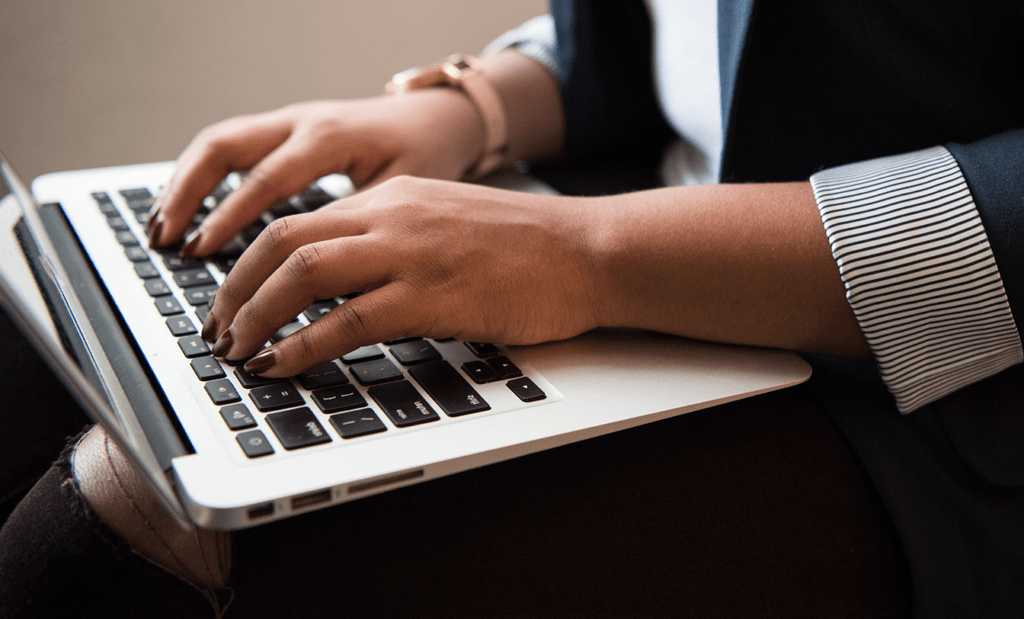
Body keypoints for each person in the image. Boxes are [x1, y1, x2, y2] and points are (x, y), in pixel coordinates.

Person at [3, 0, 1024, 616]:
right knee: (31, 338)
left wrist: (592, 253)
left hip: (934, 410)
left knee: (116, 525)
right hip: (622, 217)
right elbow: (673, 32)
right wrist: (472, 106)